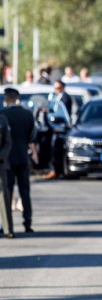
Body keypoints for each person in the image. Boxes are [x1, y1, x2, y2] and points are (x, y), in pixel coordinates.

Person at [1, 88, 35, 233]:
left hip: (6, 160)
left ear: (7, 99)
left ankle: (7, 225)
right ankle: (27, 222)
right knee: (25, 192)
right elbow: (32, 135)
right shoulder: (27, 114)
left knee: (6, 192)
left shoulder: (4, 115)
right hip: (22, 157)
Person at [0, 112, 12, 238]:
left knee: (3, 196)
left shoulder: (2, 120)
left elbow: (8, 142)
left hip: (0, 164)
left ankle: (8, 229)